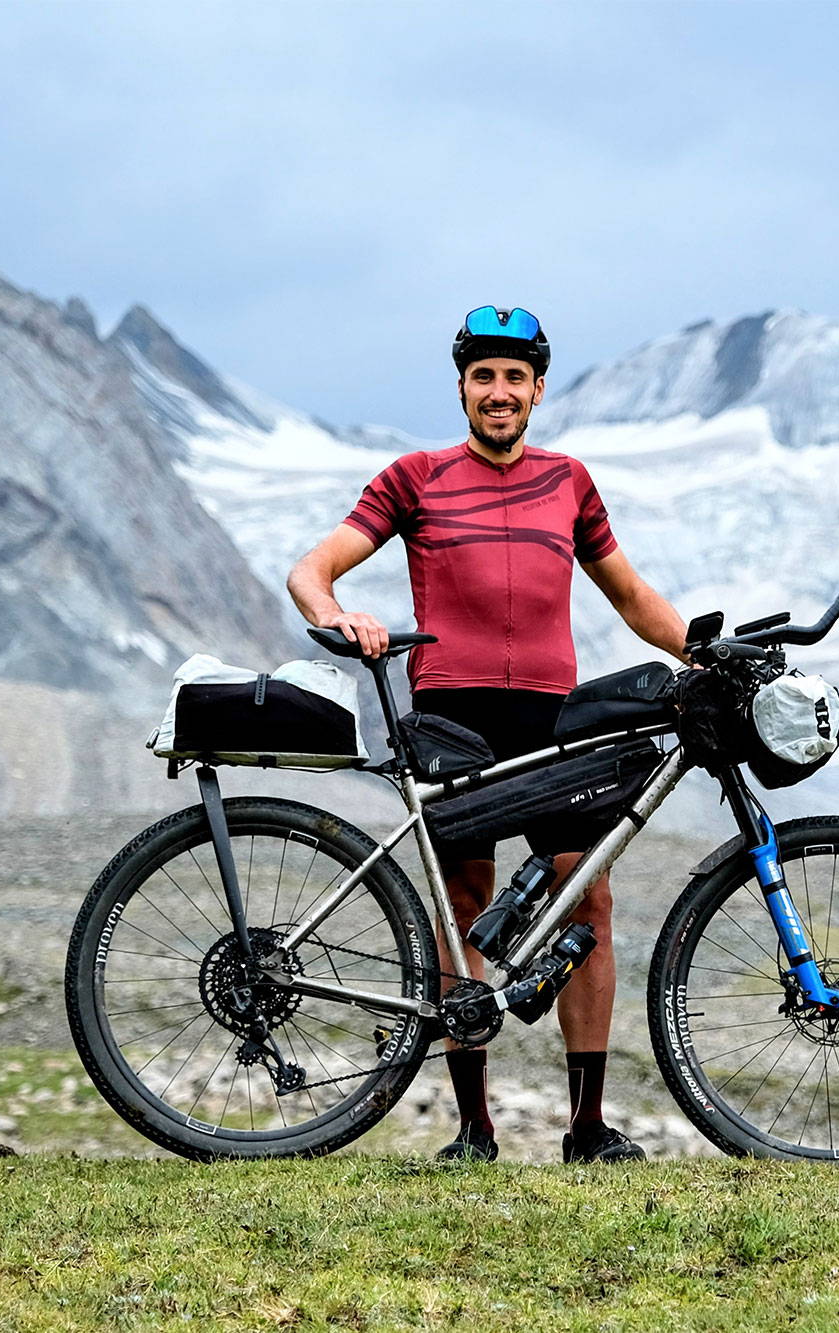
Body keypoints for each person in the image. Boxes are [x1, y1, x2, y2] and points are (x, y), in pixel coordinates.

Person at [285, 306, 689, 1163]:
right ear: (463, 389)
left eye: (514, 377)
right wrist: (336, 613)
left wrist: (705, 648)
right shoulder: (414, 478)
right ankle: (474, 1130)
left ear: (538, 390)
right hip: (453, 715)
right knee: (462, 906)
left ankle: (586, 1127)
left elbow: (629, 596)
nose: (498, 392)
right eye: (483, 377)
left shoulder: (569, 481)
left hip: (552, 716)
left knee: (589, 901)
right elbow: (310, 571)